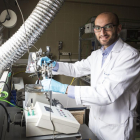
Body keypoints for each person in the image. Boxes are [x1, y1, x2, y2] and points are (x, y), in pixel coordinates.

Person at [38, 12, 140, 140]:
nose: (102, 32)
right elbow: (75, 69)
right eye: (97, 28)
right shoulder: (97, 55)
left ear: (118, 28)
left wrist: (64, 89)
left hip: (117, 128)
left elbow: (106, 94)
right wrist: (54, 65)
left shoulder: (130, 56)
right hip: (96, 122)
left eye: (107, 26)